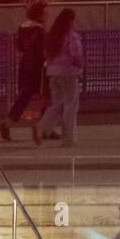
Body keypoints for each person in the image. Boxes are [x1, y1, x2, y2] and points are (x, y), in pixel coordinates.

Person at [0, 2, 46, 143]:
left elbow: (19, 45)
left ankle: (7, 122)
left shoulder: (22, 27)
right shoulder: (40, 29)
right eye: (44, 13)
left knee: (24, 96)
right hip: (37, 65)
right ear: (38, 14)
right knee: (46, 96)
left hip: (25, 63)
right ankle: (44, 127)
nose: (46, 15)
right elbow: (41, 49)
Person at [37, 9, 84, 148]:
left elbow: (46, 55)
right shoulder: (71, 37)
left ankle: (41, 126)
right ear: (70, 21)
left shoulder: (51, 36)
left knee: (57, 105)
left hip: (53, 74)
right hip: (69, 73)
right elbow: (76, 55)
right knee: (70, 106)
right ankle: (68, 139)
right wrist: (80, 66)